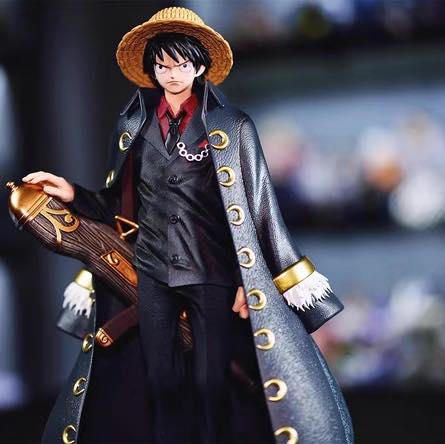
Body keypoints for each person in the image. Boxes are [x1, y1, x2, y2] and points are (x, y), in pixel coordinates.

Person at [24, 7, 354, 444]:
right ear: (152, 71)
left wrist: (258, 276)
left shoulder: (232, 127)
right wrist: (72, 193)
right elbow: (115, 205)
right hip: (152, 272)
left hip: (210, 271)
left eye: (180, 65)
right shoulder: (134, 127)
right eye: (162, 66)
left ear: (199, 68)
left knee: (210, 381)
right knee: (159, 379)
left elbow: (259, 208)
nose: (172, 74)